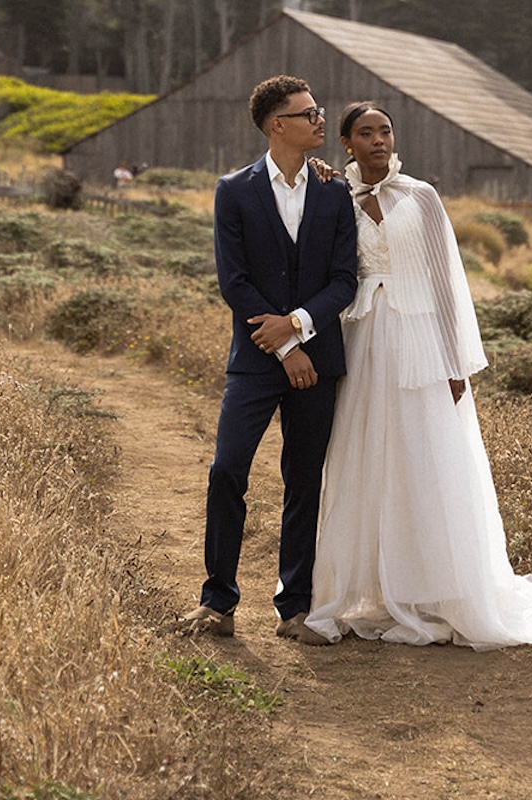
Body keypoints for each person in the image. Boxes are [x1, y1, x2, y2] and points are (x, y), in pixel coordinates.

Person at [304, 103, 532, 649]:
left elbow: (446, 281)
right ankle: (368, 590)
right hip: (363, 340)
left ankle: (436, 590)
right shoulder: (333, 195)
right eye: (366, 133)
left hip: (420, 342)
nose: (379, 140)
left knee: (425, 454)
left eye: (385, 130)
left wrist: (455, 361)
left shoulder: (421, 197)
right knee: (366, 455)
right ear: (346, 142)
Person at [176, 75, 358, 643]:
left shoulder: (333, 191)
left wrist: (300, 328)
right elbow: (234, 282)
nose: (320, 121)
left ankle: (295, 608)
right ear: (278, 125)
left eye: (318, 111)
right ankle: (218, 602)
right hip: (255, 363)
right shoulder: (233, 189)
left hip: (319, 359)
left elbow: (343, 279)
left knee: (304, 481)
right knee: (227, 469)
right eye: (308, 114)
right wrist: (283, 347)